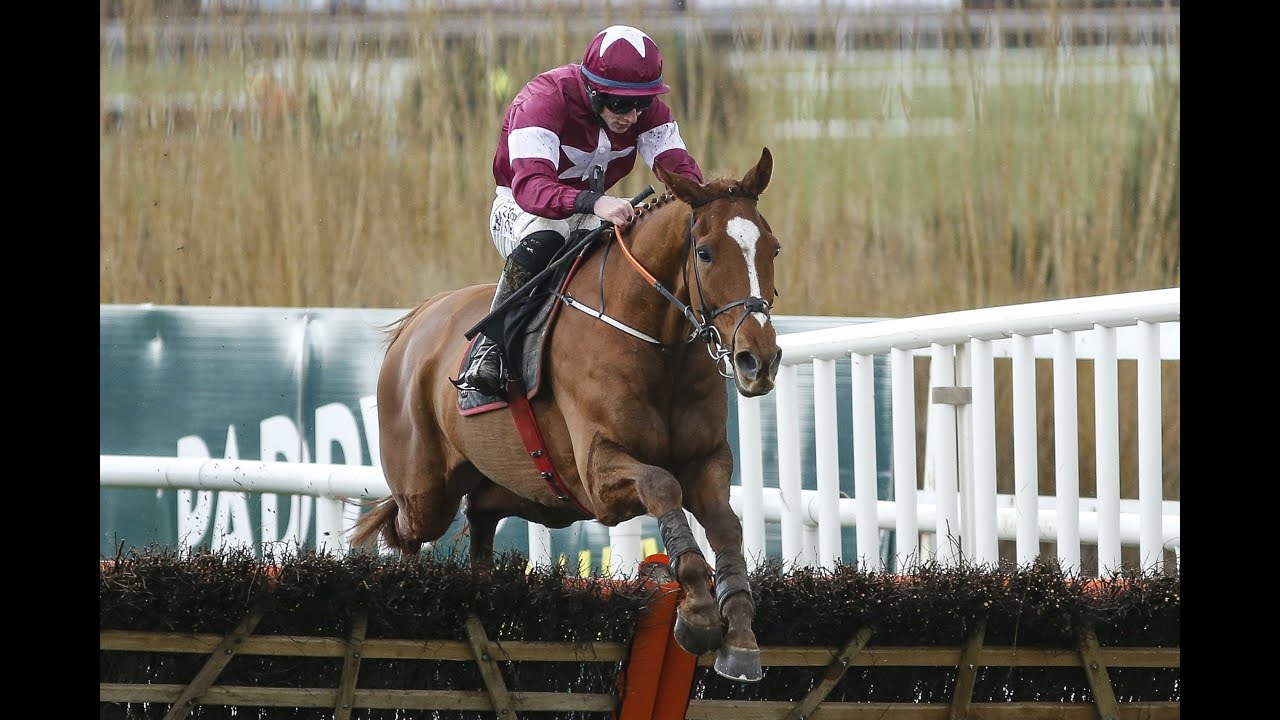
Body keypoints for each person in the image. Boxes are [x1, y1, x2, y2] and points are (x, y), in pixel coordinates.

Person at [453, 24, 705, 398]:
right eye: (619, 104)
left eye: (642, 103)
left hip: (591, 207)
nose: (632, 116)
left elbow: (680, 173)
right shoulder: (542, 100)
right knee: (549, 235)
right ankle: (489, 346)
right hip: (521, 206)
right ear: (591, 89)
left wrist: (712, 201)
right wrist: (593, 202)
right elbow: (531, 188)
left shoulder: (646, 113)